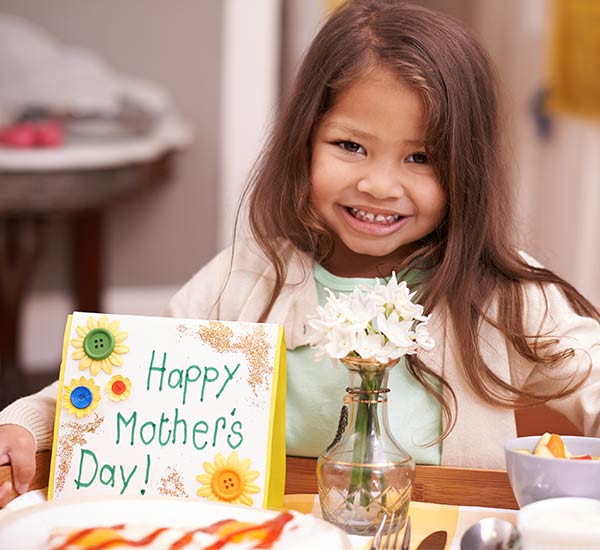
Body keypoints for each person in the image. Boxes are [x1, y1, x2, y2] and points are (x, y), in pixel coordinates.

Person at [1, 0, 599, 507]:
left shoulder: (500, 294)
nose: (379, 185)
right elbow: (121, 383)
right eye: (350, 146)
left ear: (465, 170)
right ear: (304, 141)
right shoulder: (249, 274)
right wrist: (23, 422)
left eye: (421, 158)